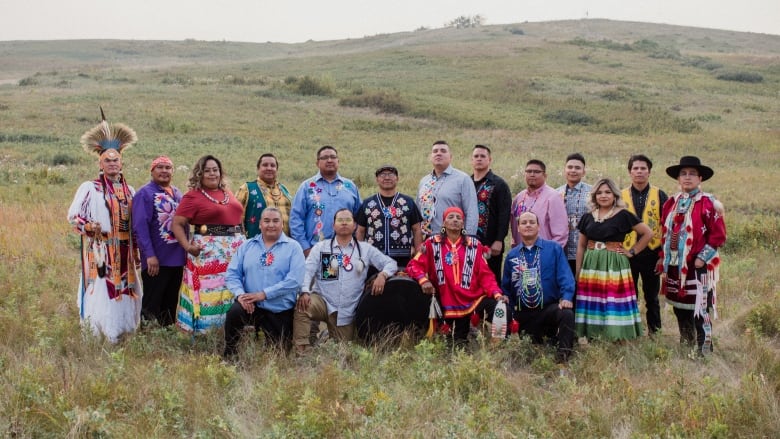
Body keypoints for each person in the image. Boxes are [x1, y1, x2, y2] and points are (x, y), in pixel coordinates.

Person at [67, 111, 142, 343]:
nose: (112, 163)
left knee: (127, 289)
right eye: (107, 160)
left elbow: (137, 223)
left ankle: (124, 329)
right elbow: (73, 217)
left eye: (116, 160)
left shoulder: (130, 191)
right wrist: (90, 226)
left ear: (122, 162)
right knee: (102, 288)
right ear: (100, 163)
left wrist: (139, 250)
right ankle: (102, 332)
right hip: (101, 250)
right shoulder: (90, 188)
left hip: (126, 250)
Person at [293, 209, 397, 351]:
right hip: (323, 301)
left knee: (341, 350)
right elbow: (307, 271)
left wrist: (382, 275)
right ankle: (302, 350)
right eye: (340, 220)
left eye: (348, 220)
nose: (343, 223)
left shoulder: (365, 249)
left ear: (354, 225)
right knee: (303, 306)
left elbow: (391, 264)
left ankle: (324, 336)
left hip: (346, 310)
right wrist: (304, 291)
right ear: (333, 225)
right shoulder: (321, 248)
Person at [406, 206, 507, 345]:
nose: (455, 220)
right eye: (451, 217)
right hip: (446, 304)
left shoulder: (475, 245)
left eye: (458, 218)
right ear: (444, 223)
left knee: (501, 308)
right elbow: (413, 265)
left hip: (473, 301)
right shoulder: (431, 243)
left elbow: (486, 275)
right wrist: (423, 280)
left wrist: (496, 293)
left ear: (463, 224)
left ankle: (499, 347)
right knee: (456, 344)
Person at [659, 156, 726, 354]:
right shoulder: (671, 203)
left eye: (692, 174)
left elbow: (718, 236)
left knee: (700, 309)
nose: (687, 177)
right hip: (675, 266)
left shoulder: (709, 204)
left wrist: (701, 258)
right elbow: (664, 232)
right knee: (680, 308)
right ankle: (686, 344)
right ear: (678, 179)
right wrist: (663, 257)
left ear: (700, 178)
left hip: (699, 267)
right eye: (683, 174)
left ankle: (704, 349)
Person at [172, 155, 245, 334]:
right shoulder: (192, 196)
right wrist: (188, 247)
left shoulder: (228, 193)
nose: (212, 174)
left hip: (234, 251)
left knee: (231, 289)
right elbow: (177, 224)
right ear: (200, 174)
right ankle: (208, 332)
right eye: (207, 170)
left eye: (215, 170)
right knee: (210, 293)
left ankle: (231, 330)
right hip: (208, 254)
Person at [574, 178, 653, 341]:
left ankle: (617, 336)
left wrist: (632, 251)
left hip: (614, 264)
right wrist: (578, 269)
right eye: (599, 193)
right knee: (594, 299)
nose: (603, 196)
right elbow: (581, 245)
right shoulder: (587, 217)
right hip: (591, 265)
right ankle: (594, 336)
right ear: (594, 196)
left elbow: (648, 233)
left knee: (612, 300)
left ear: (615, 195)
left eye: (607, 192)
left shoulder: (623, 215)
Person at [223, 208, 305, 357]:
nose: (271, 225)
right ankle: (230, 354)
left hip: (279, 309)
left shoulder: (294, 247)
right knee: (234, 313)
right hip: (250, 306)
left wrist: (264, 294)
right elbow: (232, 274)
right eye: (266, 221)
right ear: (260, 224)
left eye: (275, 221)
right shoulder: (247, 246)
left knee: (278, 354)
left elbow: (295, 280)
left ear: (282, 224)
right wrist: (241, 295)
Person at [503, 212, 576, 362]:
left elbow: (565, 277)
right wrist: (504, 299)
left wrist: (566, 298)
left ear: (538, 226)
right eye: (524, 223)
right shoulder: (512, 255)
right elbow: (506, 286)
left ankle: (563, 357)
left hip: (547, 309)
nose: (528, 225)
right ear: (518, 228)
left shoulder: (554, 249)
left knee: (566, 313)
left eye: (531, 222)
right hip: (523, 313)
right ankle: (505, 355)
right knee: (503, 312)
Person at [132, 155, 186, 326]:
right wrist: (149, 255)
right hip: (156, 259)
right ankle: (146, 338)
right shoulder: (144, 194)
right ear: (152, 171)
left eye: (168, 167)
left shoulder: (178, 193)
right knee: (152, 301)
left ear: (173, 171)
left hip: (177, 258)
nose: (164, 171)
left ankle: (167, 335)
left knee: (170, 302)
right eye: (159, 167)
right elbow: (140, 226)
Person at [622, 154, 668, 335]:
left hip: (652, 254)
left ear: (649, 172)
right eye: (635, 168)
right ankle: (630, 332)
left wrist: (662, 256)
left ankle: (655, 333)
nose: (639, 172)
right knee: (628, 297)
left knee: (652, 298)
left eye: (643, 168)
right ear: (630, 172)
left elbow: (667, 226)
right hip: (628, 254)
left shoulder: (660, 194)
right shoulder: (621, 195)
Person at [289, 145, 361, 257]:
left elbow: (360, 218)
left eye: (333, 157)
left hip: (347, 251)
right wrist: (305, 248)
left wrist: (357, 245)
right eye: (325, 157)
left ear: (338, 161)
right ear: (317, 163)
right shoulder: (307, 186)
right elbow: (296, 219)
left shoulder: (350, 186)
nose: (329, 160)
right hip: (315, 251)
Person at [356, 164, 423, 272]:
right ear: (377, 179)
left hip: (403, 257)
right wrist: (359, 254)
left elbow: (416, 229)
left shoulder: (408, 202)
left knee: (402, 286)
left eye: (391, 174)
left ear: (397, 179)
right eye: (382, 175)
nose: (387, 178)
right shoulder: (368, 203)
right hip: (374, 257)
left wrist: (418, 255)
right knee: (374, 287)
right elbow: (360, 231)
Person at [417, 140, 478, 239]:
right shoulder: (424, 181)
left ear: (450, 157)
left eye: (443, 151)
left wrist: (469, 238)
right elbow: (418, 213)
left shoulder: (462, 179)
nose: (439, 153)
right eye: (435, 151)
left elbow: (471, 211)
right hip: (429, 239)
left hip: (453, 238)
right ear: (430, 157)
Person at [470, 144, 512, 282]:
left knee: (490, 279)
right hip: (468, 242)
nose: (479, 159)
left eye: (483, 156)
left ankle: (494, 304)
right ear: (471, 160)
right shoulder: (466, 182)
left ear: (490, 160)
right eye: (476, 156)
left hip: (490, 242)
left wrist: (499, 240)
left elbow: (504, 214)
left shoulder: (498, 184)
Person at [510, 159, 568, 249]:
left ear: (545, 175)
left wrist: (551, 253)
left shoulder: (553, 197)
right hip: (521, 252)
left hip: (544, 253)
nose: (532, 174)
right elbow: (514, 228)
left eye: (536, 172)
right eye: (529, 171)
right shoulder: (519, 197)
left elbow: (561, 233)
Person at [235, 153, 293, 239]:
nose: (269, 168)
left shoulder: (284, 190)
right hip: (255, 245)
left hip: (285, 245)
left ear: (277, 169)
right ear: (258, 169)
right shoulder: (247, 189)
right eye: (265, 165)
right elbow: (236, 217)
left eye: (272, 165)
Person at [556, 153, 592, 276]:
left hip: (585, 250)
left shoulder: (593, 193)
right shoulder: (556, 193)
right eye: (570, 167)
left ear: (584, 172)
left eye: (577, 168)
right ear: (564, 170)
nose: (573, 170)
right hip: (562, 250)